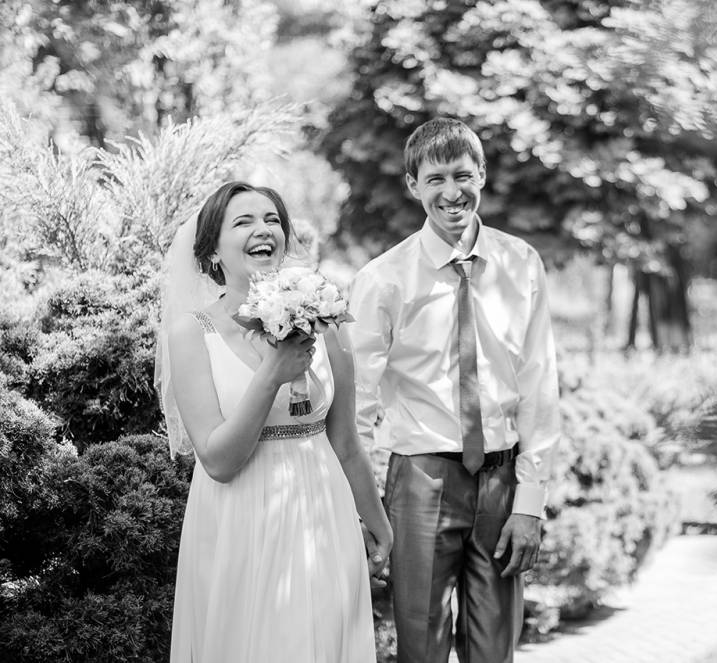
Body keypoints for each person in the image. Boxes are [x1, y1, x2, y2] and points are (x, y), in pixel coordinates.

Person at [350, 118, 561, 663]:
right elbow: (357, 404)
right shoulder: (383, 279)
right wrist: (360, 506)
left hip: (501, 484)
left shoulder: (521, 264)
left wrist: (530, 503)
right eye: (435, 179)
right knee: (421, 646)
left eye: (463, 175)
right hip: (421, 480)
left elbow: (539, 384)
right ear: (412, 185)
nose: (451, 192)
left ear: (482, 175)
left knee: (495, 651)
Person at [156, 181, 392, 663]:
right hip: (239, 520)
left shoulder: (324, 319)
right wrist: (273, 373)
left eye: (271, 220)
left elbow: (346, 442)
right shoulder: (192, 333)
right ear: (212, 251)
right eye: (243, 222)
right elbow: (218, 461)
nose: (263, 230)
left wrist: (378, 522)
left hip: (322, 515)